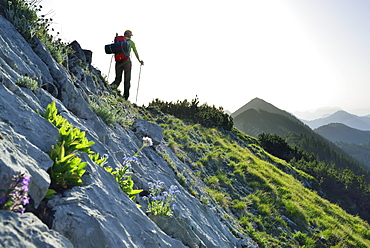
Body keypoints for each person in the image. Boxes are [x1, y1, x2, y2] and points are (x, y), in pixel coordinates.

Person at [111, 30, 144, 100]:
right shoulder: (131, 43)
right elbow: (135, 52)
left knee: (118, 78)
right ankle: (125, 97)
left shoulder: (119, 41)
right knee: (127, 80)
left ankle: (111, 89)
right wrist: (139, 61)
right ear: (129, 36)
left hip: (118, 61)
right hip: (127, 63)